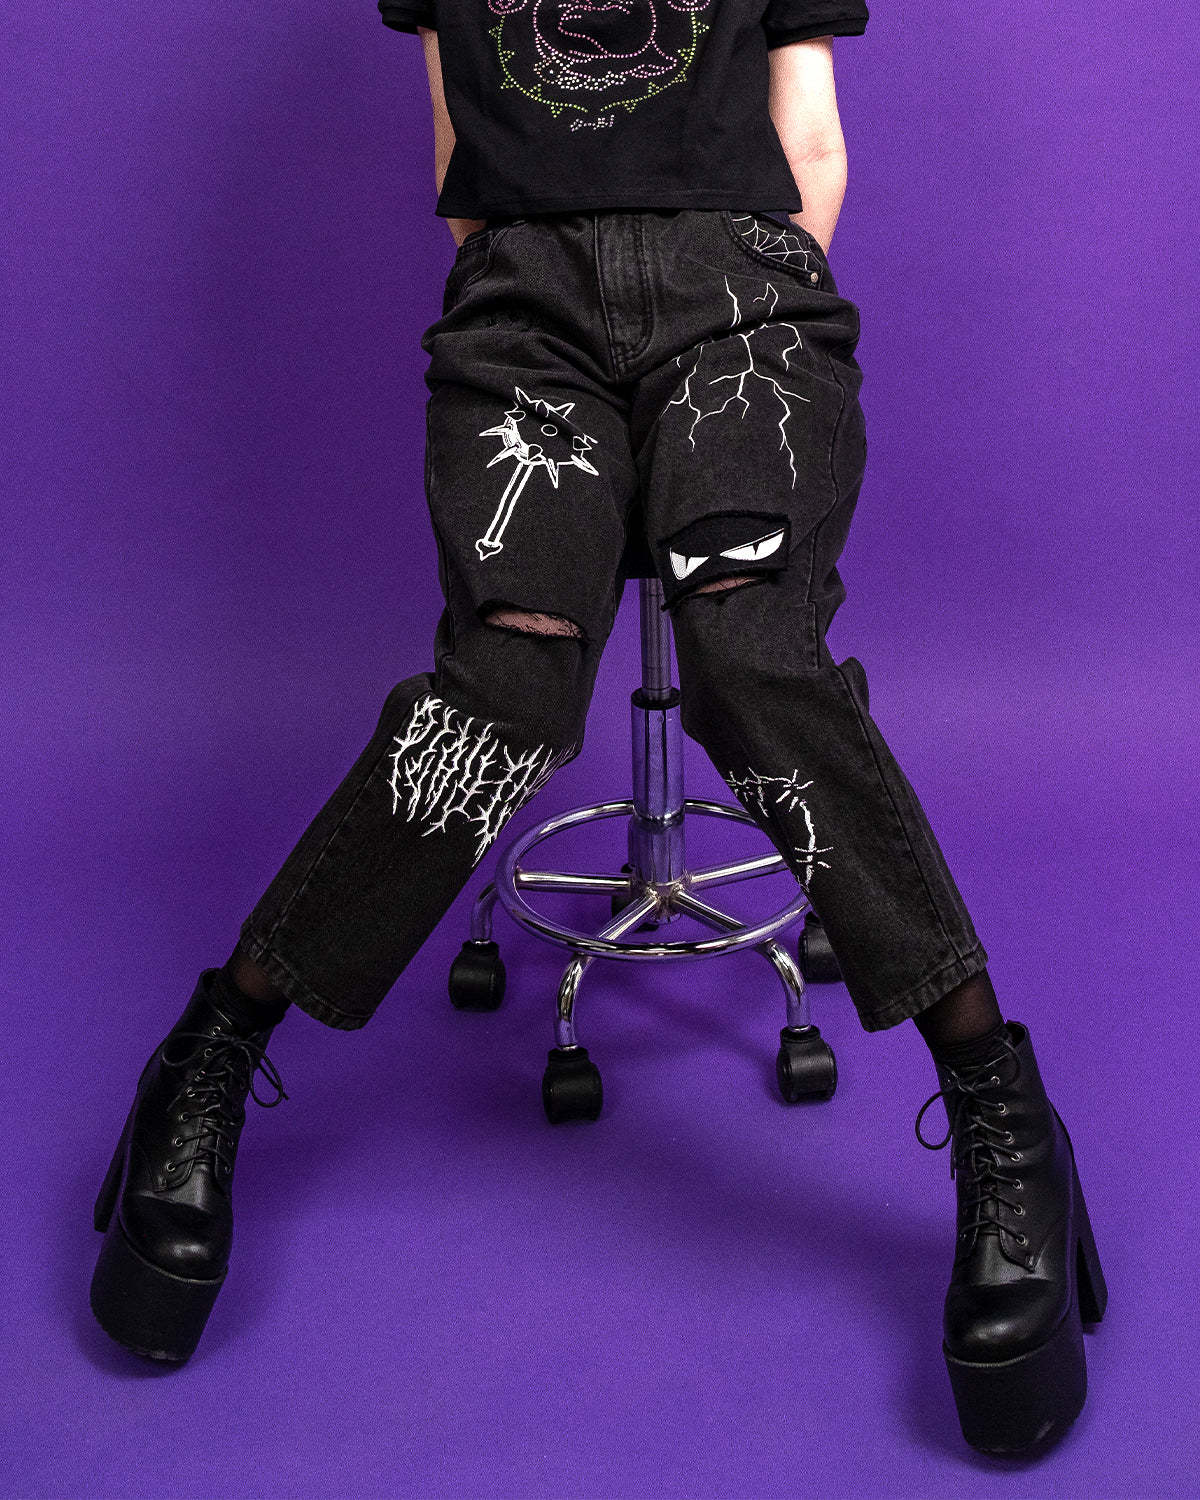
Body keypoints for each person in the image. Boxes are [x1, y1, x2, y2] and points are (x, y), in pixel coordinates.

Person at [89, 0, 1106, 1458]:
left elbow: (811, 140)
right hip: (525, 313)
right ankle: (208, 1056)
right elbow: (459, 150)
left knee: (750, 653)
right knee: (504, 691)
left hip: (742, 299)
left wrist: (738, 317)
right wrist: (547, 308)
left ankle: (1004, 1118)